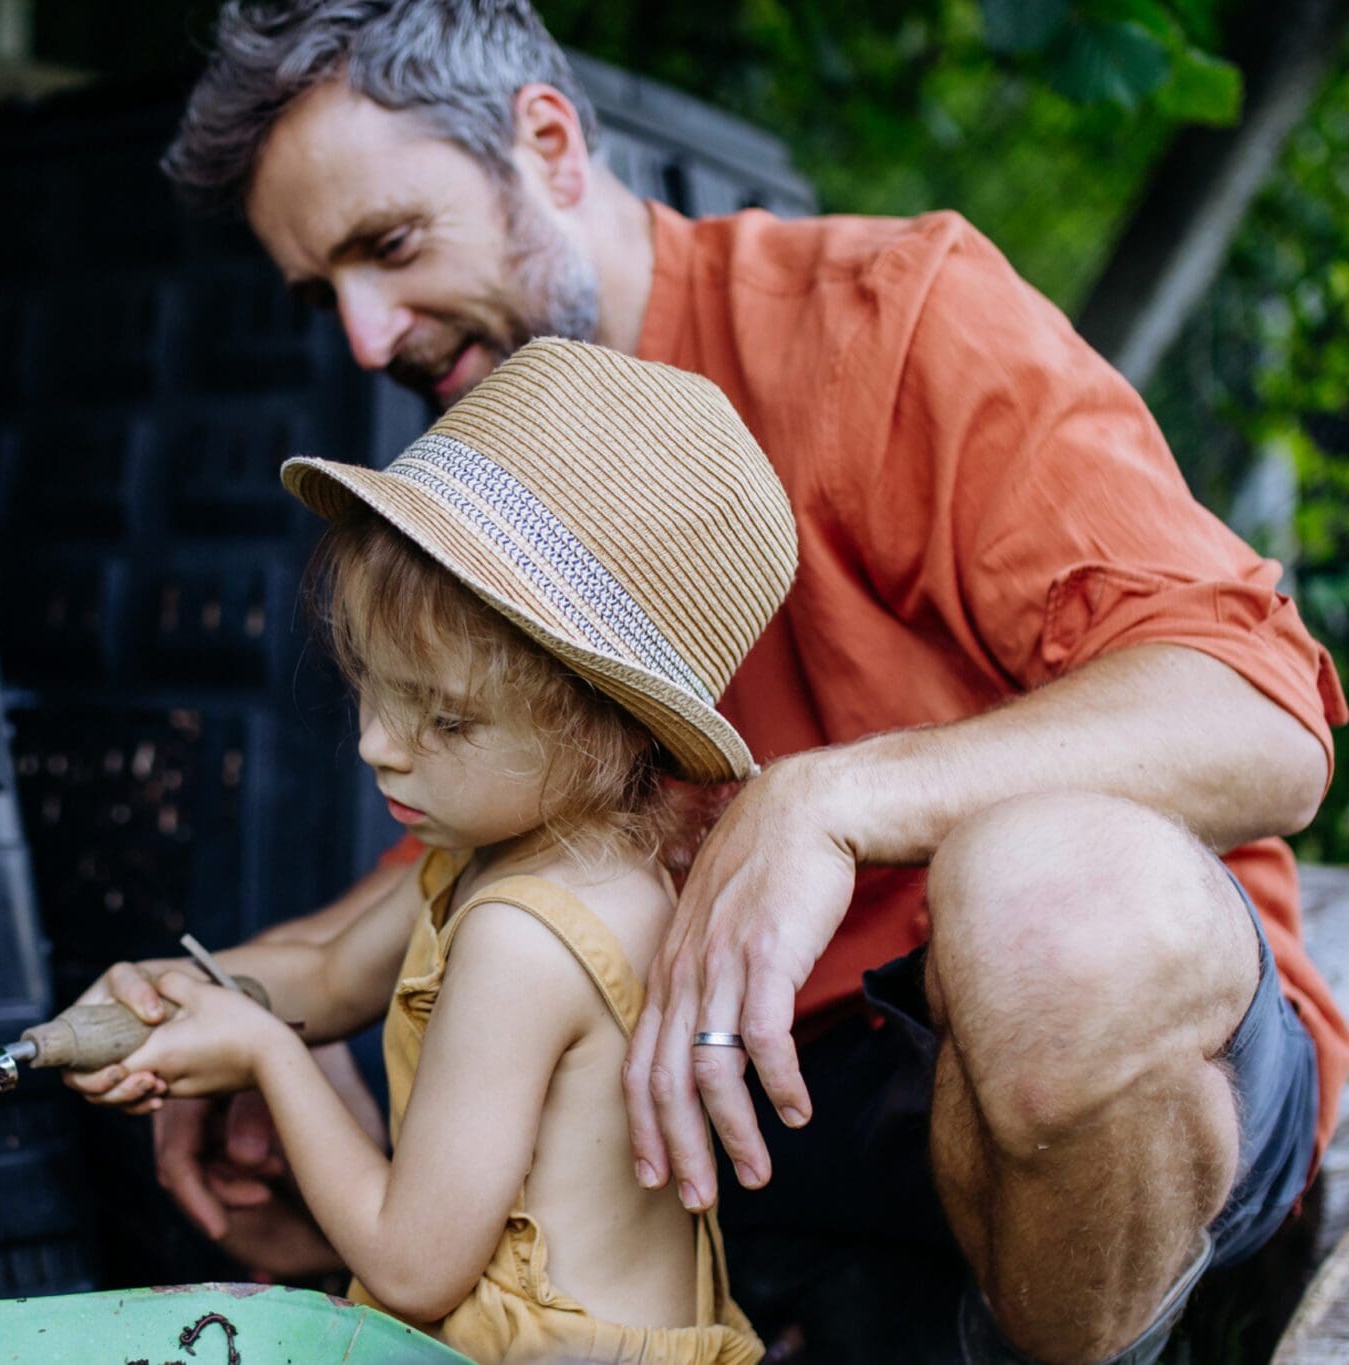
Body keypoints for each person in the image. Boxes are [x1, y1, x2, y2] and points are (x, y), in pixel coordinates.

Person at [73, 2, 1349, 1360]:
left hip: (1119, 1105)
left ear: (549, 145)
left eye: (388, 247)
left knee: (1052, 902)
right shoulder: (504, 471)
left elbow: (1261, 719)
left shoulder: (892, 321)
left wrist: (835, 799)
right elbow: (403, 902)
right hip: (762, 1131)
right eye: (323, 293)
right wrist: (217, 1009)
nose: (367, 339)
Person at [77, 338, 783, 1364]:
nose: (374, 745)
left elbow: (411, 1272)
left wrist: (268, 1055)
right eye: (370, 680)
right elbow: (327, 971)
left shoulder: (519, 941)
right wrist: (177, 995)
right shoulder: (568, 860)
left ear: (603, 729)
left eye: (445, 722)